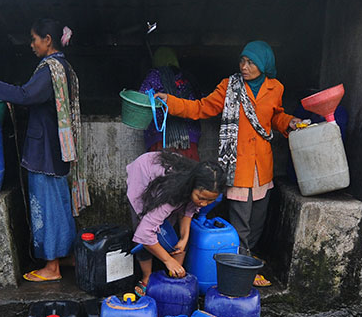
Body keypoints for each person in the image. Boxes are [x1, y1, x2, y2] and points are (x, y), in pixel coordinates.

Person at [156, 40, 302, 287]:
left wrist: (289, 121)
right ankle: (244, 267)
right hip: (238, 165)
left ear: (264, 64)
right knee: (241, 222)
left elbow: (275, 116)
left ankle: (246, 255)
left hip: (262, 167)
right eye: (242, 61)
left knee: (258, 219)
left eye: (251, 62)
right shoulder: (229, 86)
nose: (244, 67)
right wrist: (170, 101)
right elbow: (201, 108)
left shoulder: (275, 88)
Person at [0, 18, 89, 282]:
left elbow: (26, 95)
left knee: (48, 206)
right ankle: (66, 257)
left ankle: (51, 268)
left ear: (47, 40)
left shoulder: (49, 70)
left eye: (34, 39)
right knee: (60, 206)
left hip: (45, 152)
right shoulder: (63, 67)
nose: (31, 44)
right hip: (58, 149)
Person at [127, 150, 225, 296]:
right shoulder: (171, 194)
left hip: (168, 182)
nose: (204, 204)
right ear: (192, 187)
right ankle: (146, 276)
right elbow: (144, 234)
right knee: (144, 227)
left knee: (170, 230)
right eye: (201, 197)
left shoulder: (196, 185)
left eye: (210, 200)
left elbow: (188, 211)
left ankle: (174, 274)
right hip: (144, 174)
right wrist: (167, 260)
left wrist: (184, 238)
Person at [139, 47, 202, 160]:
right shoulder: (188, 78)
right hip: (188, 138)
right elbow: (200, 102)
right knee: (188, 174)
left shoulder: (154, 75)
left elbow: (141, 99)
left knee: (162, 173)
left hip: (161, 137)